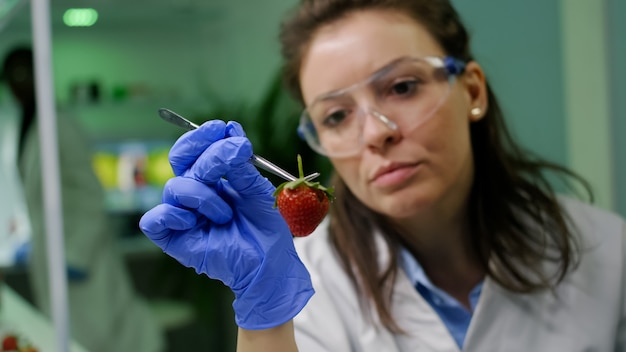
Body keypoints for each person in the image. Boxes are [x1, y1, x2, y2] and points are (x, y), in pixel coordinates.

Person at [139, 0, 626, 351]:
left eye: (403, 86)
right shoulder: (300, 282)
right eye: (335, 116)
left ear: (472, 90)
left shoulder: (609, 252)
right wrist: (266, 314)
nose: (374, 133)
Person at [2, 46, 165, 352]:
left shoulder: (59, 125)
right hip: (55, 259)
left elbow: (90, 194)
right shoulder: (28, 126)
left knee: (96, 339)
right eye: (13, 75)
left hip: (81, 262)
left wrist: (73, 256)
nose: (19, 82)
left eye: (25, 72)